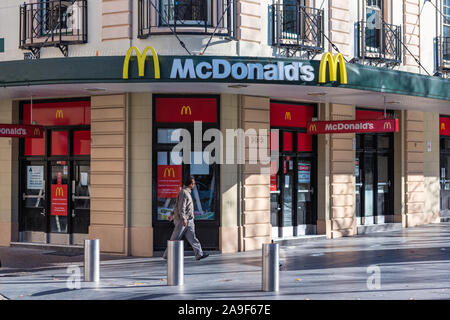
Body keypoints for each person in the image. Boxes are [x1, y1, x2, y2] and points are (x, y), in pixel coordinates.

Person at [163, 176, 209, 261]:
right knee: (175, 238)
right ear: (190, 184)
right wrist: (183, 219)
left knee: (192, 238)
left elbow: (177, 206)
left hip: (189, 220)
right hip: (183, 221)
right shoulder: (184, 193)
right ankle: (166, 255)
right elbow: (181, 207)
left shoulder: (186, 192)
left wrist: (173, 214)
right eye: (193, 183)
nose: (194, 184)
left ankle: (199, 254)